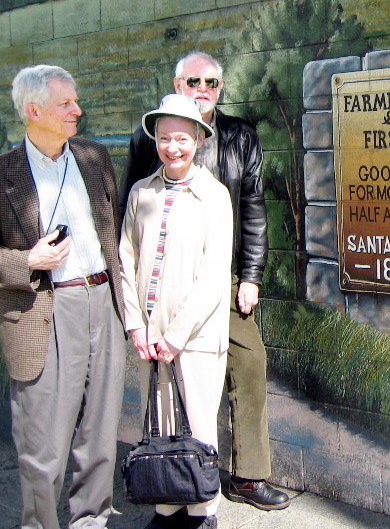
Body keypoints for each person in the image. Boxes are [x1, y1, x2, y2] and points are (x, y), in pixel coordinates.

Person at [118, 51, 289, 510]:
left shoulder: (239, 137)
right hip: (167, 275)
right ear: (177, 83)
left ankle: (247, 476)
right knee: (168, 383)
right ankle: (171, 480)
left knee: (249, 362)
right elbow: (131, 210)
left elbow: (253, 210)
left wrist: (250, 276)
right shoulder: (147, 139)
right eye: (193, 80)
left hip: (223, 273)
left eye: (212, 82)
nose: (203, 88)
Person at [0, 65, 126, 529]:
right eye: (65, 104)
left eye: (75, 101)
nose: (77, 110)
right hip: (41, 308)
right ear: (33, 111)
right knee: (42, 443)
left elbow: (112, 225)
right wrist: (28, 262)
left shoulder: (93, 157)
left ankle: (92, 519)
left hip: (101, 301)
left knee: (100, 434)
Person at [119, 94, 234, 529]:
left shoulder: (215, 196)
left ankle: (203, 512)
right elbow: (124, 259)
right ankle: (167, 509)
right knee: (161, 420)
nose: (173, 147)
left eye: (183, 138)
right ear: (156, 140)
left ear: (199, 140)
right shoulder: (140, 192)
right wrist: (136, 324)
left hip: (196, 336)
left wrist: (176, 334)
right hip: (149, 336)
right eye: (165, 138)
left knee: (198, 423)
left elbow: (213, 273)